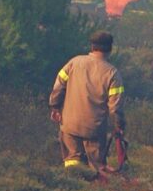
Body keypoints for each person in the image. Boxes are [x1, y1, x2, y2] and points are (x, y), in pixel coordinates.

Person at [49, 31, 125, 179]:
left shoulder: (74, 62)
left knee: (71, 161)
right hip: (94, 130)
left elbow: (58, 86)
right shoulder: (112, 74)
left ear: (92, 46)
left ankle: (73, 187)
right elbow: (115, 107)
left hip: (69, 124)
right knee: (96, 170)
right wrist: (119, 126)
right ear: (110, 49)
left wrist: (55, 107)